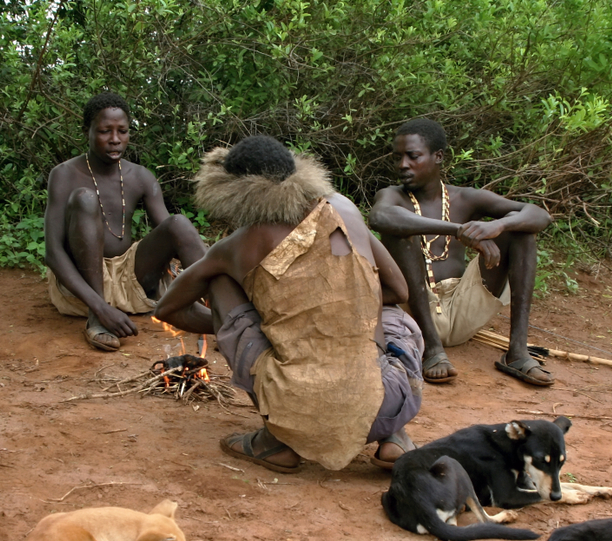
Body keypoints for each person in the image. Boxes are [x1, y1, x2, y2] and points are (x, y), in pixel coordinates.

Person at [152, 136, 424, 473]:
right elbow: (398, 290)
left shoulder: (235, 247)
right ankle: (394, 436)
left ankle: (275, 443)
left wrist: (256, 324)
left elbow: (167, 310)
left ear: (234, 190)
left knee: (218, 279)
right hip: (386, 400)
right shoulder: (344, 211)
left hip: (295, 407)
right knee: (391, 316)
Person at [368, 118, 554, 386]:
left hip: (464, 308)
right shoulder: (392, 196)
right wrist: (459, 231)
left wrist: (497, 226)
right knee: (398, 233)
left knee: (521, 230)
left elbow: (538, 215)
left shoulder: (466, 198)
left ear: (438, 156)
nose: (402, 165)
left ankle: (517, 352)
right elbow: (381, 218)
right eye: (398, 158)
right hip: (414, 312)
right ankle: (432, 349)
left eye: (413, 156)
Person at [44, 92, 209, 351]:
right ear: (86, 131)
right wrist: (100, 307)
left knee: (178, 223)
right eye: (104, 131)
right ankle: (97, 318)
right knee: (85, 199)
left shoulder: (140, 176)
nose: (115, 140)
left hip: (132, 279)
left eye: (122, 131)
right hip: (83, 285)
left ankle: (229, 315)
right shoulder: (64, 175)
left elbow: (171, 234)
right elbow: (53, 252)